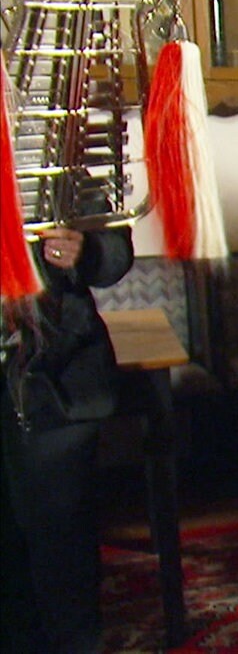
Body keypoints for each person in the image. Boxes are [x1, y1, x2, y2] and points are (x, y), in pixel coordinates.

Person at [2, 224, 134, 653]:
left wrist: (87, 250)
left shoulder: (58, 155)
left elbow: (116, 250)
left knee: (63, 552)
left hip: (55, 380)